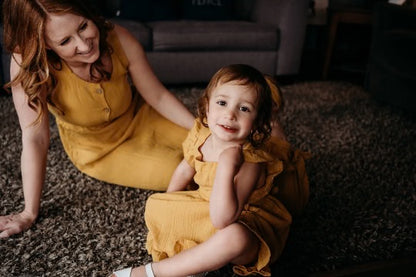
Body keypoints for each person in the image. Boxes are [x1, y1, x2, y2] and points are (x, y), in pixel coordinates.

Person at [0, 0, 195, 239]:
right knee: (183, 171)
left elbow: (159, 96)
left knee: (206, 144)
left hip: (142, 117)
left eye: (83, 27)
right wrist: (29, 212)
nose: (83, 44)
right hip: (100, 151)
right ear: (45, 46)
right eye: (65, 41)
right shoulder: (30, 65)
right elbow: (35, 139)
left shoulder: (118, 37)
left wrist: (202, 129)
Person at [110, 64, 309, 277]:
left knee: (235, 237)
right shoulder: (200, 135)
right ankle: (199, 258)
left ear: (255, 123)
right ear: (206, 107)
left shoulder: (251, 163)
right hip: (205, 205)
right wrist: (171, 205)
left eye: (244, 109)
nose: (230, 114)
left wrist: (227, 166)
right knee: (156, 205)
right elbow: (184, 170)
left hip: (242, 219)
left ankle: (151, 273)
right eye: (222, 103)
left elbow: (222, 219)